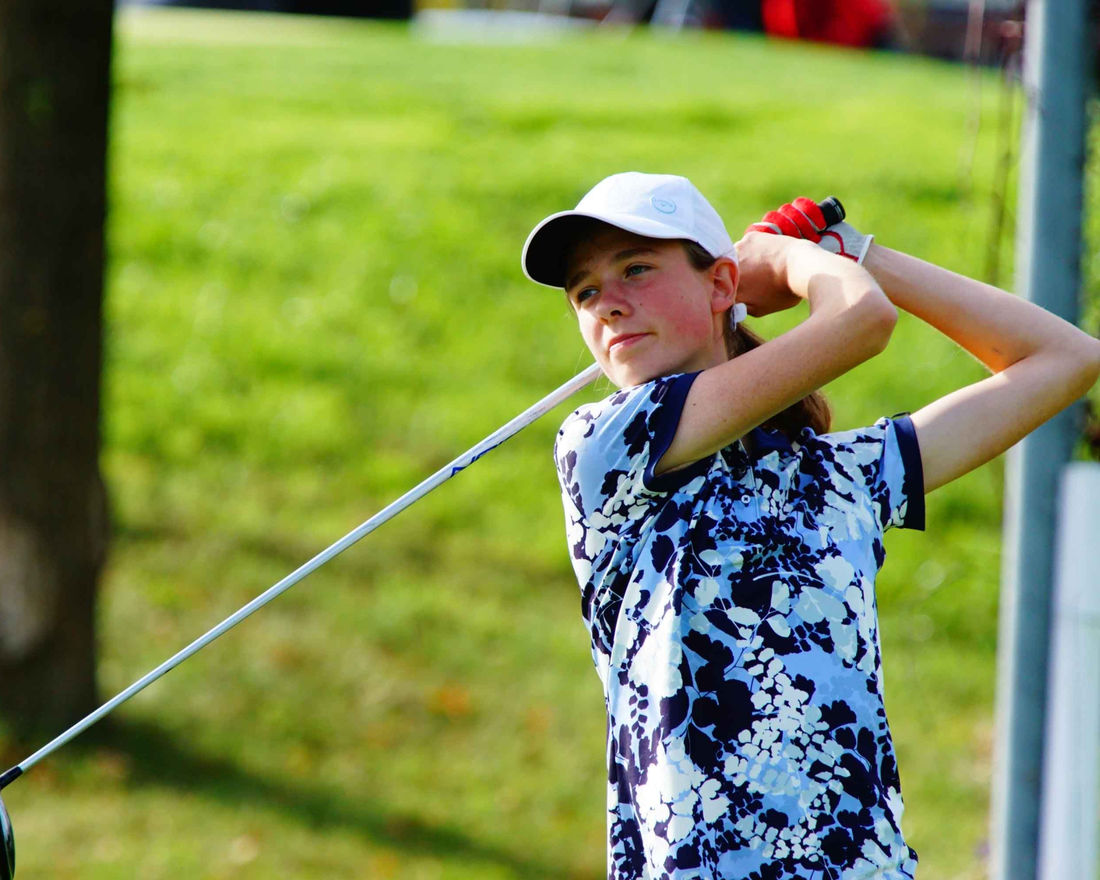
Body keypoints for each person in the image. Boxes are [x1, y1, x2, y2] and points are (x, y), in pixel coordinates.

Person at [520, 172, 1100, 879]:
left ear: (720, 284)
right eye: (584, 292)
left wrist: (856, 252)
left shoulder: (838, 477)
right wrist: (792, 260)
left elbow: (1067, 359)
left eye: (635, 269)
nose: (608, 303)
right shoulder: (603, 446)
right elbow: (863, 321)